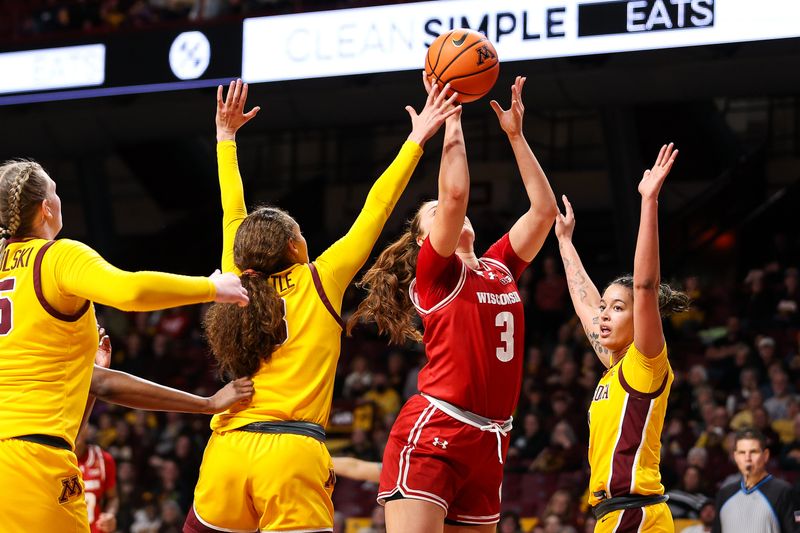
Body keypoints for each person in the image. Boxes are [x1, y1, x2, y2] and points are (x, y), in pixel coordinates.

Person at [183, 78, 459, 533]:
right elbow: (378, 207)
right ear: (294, 245)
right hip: (291, 453)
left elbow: (231, 207)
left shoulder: (235, 275)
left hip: (226, 452)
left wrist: (225, 138)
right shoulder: (319, 278)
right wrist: (416, 140)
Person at [349, 76, 559, 532]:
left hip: (491, 438)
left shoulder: (499, 264)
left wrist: (517, 137)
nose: (448, 212)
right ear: (427, 239)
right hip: (436, 428)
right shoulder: (436, 274)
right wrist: (454, 119)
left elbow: (543, 212)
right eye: (435, 212)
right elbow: (455, 195)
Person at [0, 158, 248, 531]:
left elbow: (98, 382)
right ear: (46, 207)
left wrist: (207, 404)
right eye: (55, 190)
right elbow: (129, 290)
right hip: (31, 460)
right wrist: (212, 287)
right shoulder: (57, 257)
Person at [555, 143, 686, 531]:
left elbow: (645, 285)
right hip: (623, 514)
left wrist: (649, 202)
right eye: (605, 307)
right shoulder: (614, 367)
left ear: (640, 318)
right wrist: (565, 243)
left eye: (617, 307)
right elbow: (584, 305)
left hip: (633, 513)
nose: (604, 315)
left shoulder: (644, 363)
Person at [713, 428, 800, 533]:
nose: (747, 458)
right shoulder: (724, 494)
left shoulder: (784, 492)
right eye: (742, 452)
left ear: (765, 456)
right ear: (735, 456)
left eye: (753, 452)